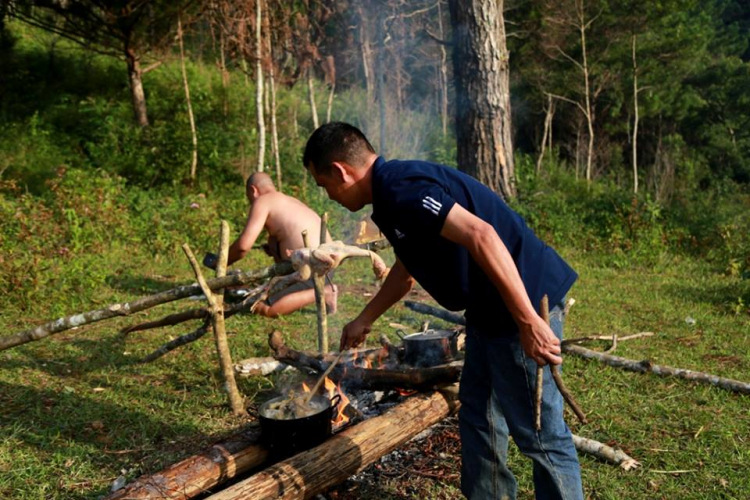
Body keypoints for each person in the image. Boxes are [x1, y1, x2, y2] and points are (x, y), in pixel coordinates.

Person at [302, 122, 583, 500]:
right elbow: (406, 271)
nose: (329, 196)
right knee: (479, 419)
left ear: (340, 171)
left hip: (522, 304)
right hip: (488, 313)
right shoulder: (389, 197)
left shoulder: (402, 189)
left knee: (540, 436)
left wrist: (529, 321)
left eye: (325, 185)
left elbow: (482, 235)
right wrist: (364, 319)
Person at [203, 172, 337, 318]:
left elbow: (243, 247)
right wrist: (274, 250)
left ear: (253, 191)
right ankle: (318, 288)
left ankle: (325, 292)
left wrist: (221, 262)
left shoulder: (262, 201)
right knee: (272, 240)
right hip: (327, 262)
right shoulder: (287, 200)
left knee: (261, 307)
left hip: (312, 266)